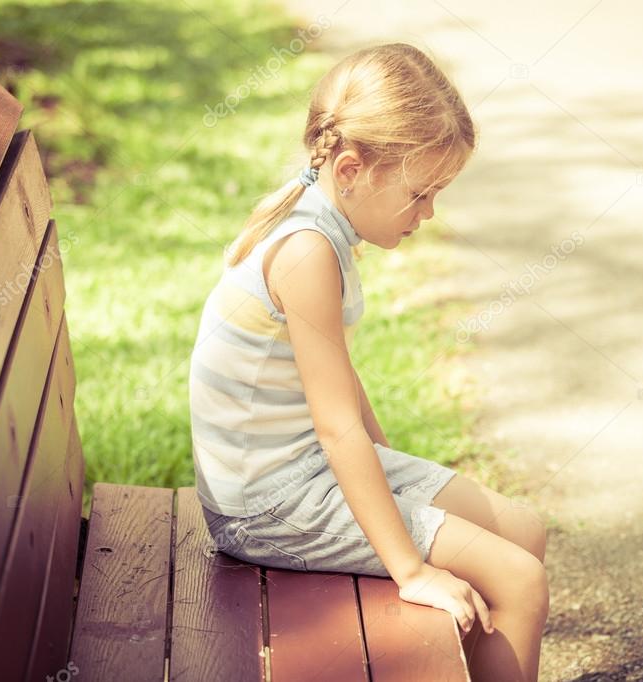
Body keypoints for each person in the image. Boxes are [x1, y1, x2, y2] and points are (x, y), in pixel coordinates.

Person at [188, 42, 548, 681]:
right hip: (268, 507)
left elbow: (338, 385)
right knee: (519, 579)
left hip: (301, 473)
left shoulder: (317, 214)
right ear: (352, 168)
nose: (428, 213)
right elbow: (335, 428)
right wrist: (410, 568)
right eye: (419, 193)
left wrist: (394, 469)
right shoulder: (306, 251)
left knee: (524, 531)